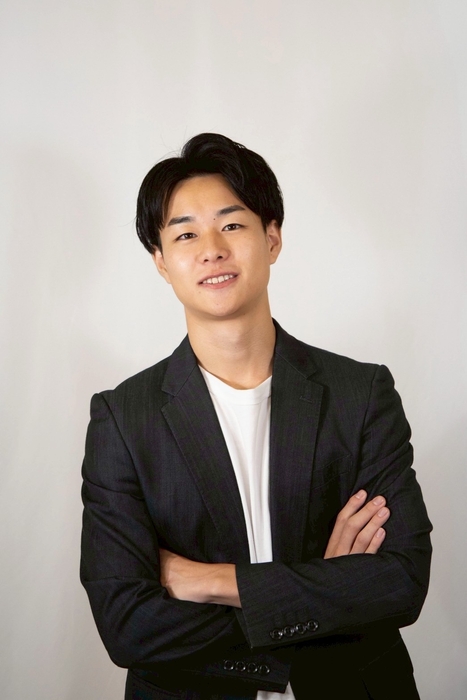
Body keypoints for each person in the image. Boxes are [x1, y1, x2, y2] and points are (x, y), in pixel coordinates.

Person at [80, 133, 432, 700]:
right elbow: (127, 625)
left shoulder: (360, 393)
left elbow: (401, 581)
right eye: (186, 234)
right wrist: (325, 591)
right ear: (161, 262)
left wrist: (209, 581)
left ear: (272, 238)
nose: (212, 249)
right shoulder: (123, 418)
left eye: (232, 224)